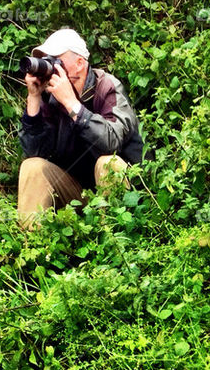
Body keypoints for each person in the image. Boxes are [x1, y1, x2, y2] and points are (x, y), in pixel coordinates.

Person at [17, 28, 143, 228]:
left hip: (123, 194)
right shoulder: (52, 99)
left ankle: (115, 243)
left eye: (55, 60)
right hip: (78, 195)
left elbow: (111, 142)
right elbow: (34, 152)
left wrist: (72, 104)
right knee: (32, 166)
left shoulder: (107, 87)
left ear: (79, 63)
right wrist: (34, 98)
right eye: (46, 61)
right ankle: (34, 249)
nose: (49, 68)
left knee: (107, 163)